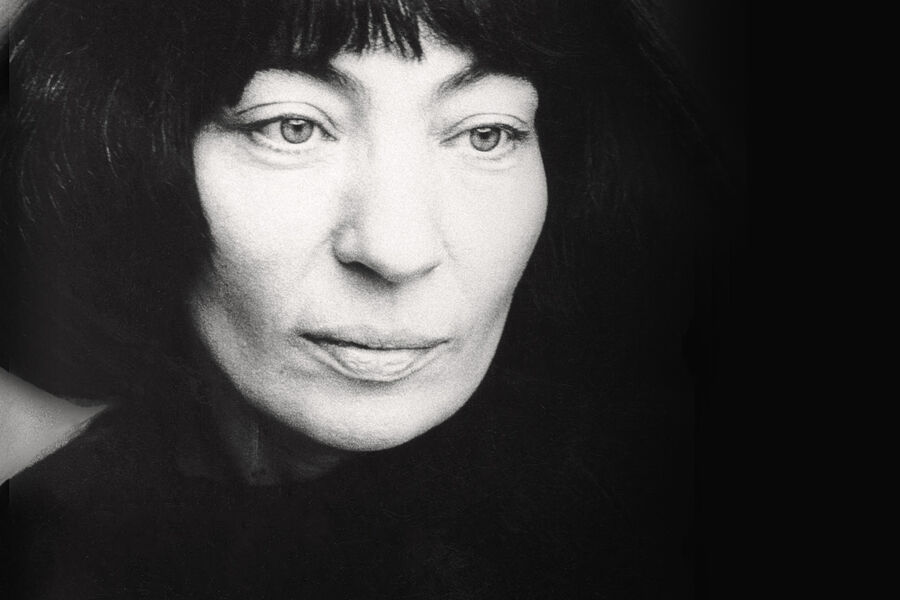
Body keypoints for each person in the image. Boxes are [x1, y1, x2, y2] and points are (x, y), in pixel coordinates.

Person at [2, 0, 735, 597]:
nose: (396, 250)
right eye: (291, 127)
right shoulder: (40, 545)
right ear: (133, 154)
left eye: (487, 133)